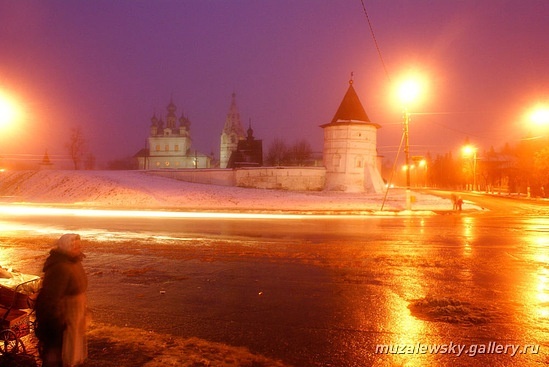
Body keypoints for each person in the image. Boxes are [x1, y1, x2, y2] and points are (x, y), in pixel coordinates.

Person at [35, 234, 88, 367]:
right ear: (65, 246)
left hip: (74, 316)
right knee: (57, 354)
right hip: (61, 319)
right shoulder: (60, 267)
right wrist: (58, 321)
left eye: (78, 244)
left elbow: (78, 289)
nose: (77, 247)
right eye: (73, 245)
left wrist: (84, 312)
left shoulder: (74, 262)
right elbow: (51, 298)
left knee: (69, 352)